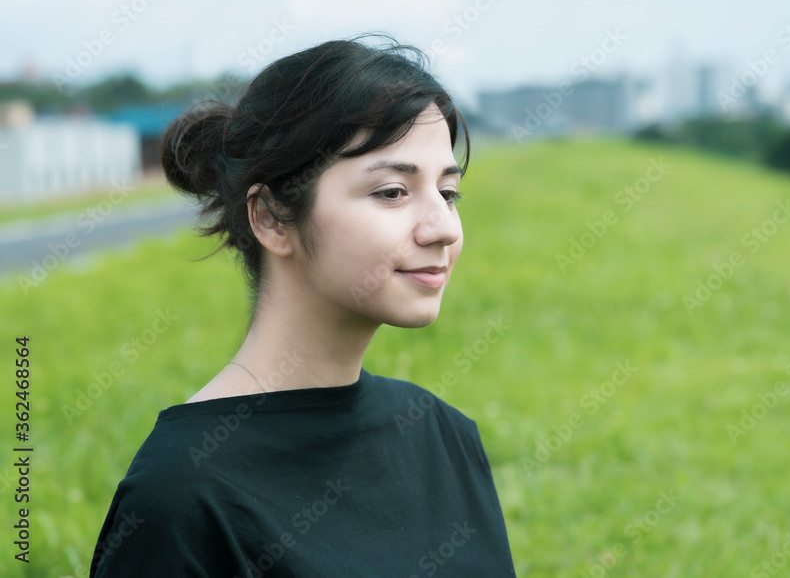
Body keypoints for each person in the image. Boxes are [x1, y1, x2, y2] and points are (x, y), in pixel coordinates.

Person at [89, 33, 517, 576]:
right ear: (270, 217)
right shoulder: (181, 498)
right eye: (392, 192)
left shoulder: (442, 435)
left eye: (448, 192)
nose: (443, 228)